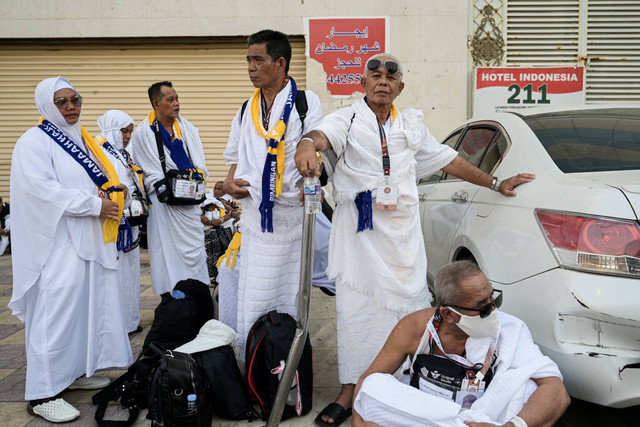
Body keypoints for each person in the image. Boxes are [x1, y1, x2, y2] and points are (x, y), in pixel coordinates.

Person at [294, 53, 535, 426]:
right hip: (360, 237)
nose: (382, 81)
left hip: (403, 239)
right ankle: (351, 388)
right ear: (363, 83)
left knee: (407, 310)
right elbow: (322, 135)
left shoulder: (411, 125)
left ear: (400, 87)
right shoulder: (348, 117)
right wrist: (306, 144)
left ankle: (401, 380)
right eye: (374, 75)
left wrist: (494, 182)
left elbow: (449, 160)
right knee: (356, 312)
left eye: (391, 77)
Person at [8, 76, 133, 423]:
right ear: (47, 105)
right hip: (55, 247)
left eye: (75, 99)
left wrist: (108, 193)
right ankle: (43, 392)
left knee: (82, 311)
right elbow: (42, 190)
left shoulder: (82, 139)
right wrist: (95, 206)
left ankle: (75, 370)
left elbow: (88, 180)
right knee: (54, 315)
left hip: (86, 242)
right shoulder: (33, 142)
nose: (71, 106)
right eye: (61, 101)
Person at [351, 261, 570, 427]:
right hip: (429, 415)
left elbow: (557, 391)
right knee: (374, 387)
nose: (493, 311)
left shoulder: (510, 329)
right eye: (482, 307)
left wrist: (512, 426)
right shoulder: (415, 327)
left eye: (494, 300)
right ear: (449, 314)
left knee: (527, 387)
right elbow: (367, 383)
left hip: (485, 418)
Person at [221, 29, 322, 355]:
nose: (251, 67)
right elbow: (234, 158)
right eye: (248, 60)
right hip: (254, 219)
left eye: (258, 59)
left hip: (292, 217)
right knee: (254, 292)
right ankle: (255, 363)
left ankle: (287, 365)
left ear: (280, 63)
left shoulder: (305, 103)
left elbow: (317, 152)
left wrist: (312, 184)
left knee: (291, 292)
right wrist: (229, 184)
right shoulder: (244, 109)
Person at [132, 81, 209, 295]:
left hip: (190, 202)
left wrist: (191, 178)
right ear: (156, 103)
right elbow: (147, 172)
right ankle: (172, 296)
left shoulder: (187, 129)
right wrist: (168, 183)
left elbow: (200, 164)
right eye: (170, 100)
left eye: (177, 99)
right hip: (165, 206)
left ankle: (197, 293)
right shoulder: (143, 133)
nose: (176, 104)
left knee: (195, 249)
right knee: (167, 252)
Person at [97, 109, 146, 333]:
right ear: (111, 130)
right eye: (123, 132)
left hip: (130, 221)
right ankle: (115, 325)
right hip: (111, 223)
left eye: (129, 132)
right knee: (113, 274)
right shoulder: (97, 152)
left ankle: (129, 320)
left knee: (129, 274)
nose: (127, 137)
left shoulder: (121, 153)